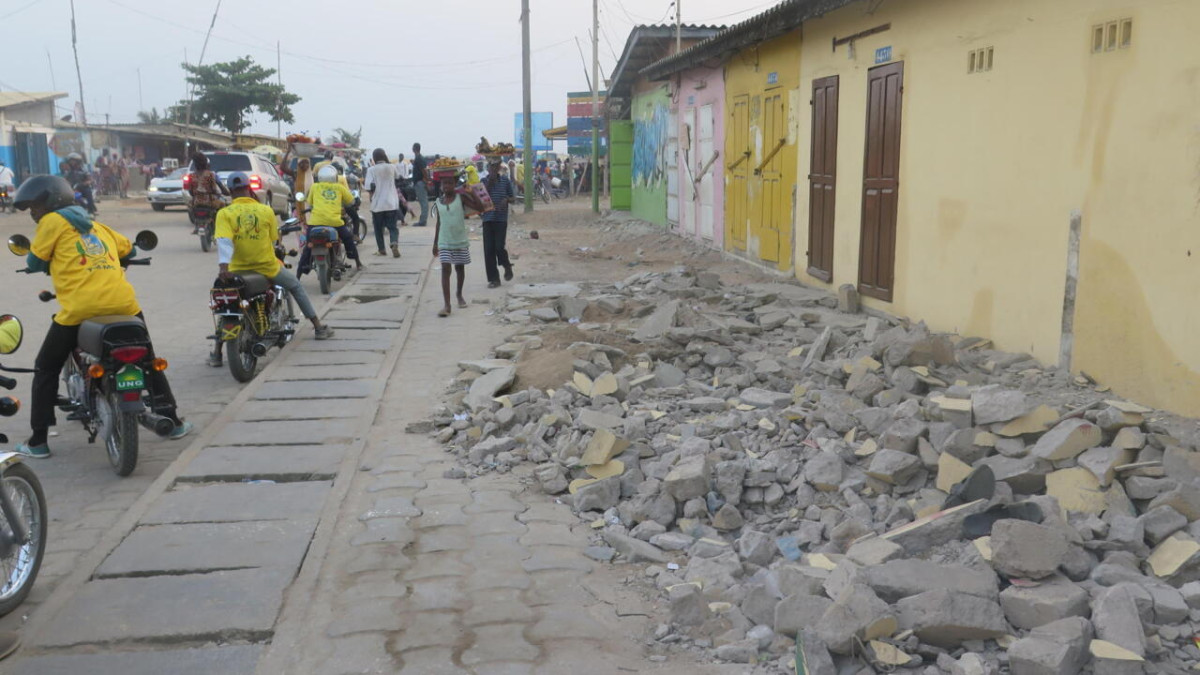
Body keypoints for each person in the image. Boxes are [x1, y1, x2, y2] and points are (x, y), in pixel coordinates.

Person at [11, 175, 191, 458]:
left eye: (34, 206)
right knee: (149, 361)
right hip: (125, 307)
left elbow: (34, 261)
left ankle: (38, 441)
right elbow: (129, 250)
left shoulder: (52, 222)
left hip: (80, 311)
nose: (33, 213)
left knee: (45, 368)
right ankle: (175, 421)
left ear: (50, 202)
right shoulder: (97, 226)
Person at [210, 172, 333, 366]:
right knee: (296, 286)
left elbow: (224, 242)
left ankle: (217, 352)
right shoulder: (265, 211)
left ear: (231, 191)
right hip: (267, 268)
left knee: (227, 302)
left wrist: (223, 268)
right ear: (248, 189)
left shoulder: (224, 213)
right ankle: (318, 326)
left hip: (236, 270)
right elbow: (275, 239)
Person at [432, 171, 485, 317]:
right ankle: (447, 305)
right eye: (444, 183)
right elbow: (438, 223)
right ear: (441, 185)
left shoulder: (460, 198)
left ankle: (459, 294)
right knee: (445, 269)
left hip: (459, 239)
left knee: (459, 268)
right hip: (444, 240)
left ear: (455, 184)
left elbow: (480, 208)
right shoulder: (438, 202)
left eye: (450, 183)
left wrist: (471, 192)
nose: (447, 186)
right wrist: (435, 243)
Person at [299, 165, 363, 275]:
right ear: (335, 177)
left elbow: (310, 203)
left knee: (308, 246)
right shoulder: (340, 188)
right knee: (348, 238)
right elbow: (351, 202)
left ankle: (299, 274)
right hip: (335, 223)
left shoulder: (315, 187)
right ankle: (357, 262)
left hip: (315, 223)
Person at [481, 158, 516, 288]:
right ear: (488, 168)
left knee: (499, 247)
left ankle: (506, 265)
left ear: (499, 168)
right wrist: (490, 182)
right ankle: (494, 279)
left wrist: (506, 199)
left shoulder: (505, 181)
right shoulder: (483, 182)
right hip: (488, 219)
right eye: (491, 167)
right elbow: (481, 198)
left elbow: (513, 198)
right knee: (488, 249)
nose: (494, 169)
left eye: (496, 167)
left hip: (501, 219)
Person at [365, 148, 402, 258]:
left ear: (374, 157)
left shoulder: (371, 170)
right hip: (391, 202)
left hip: (378, 204)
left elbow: (368, 186)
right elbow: (398, 177)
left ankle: (382, 250)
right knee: (392, 227)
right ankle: (394, 242)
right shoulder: (392, 167)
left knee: (378, 228)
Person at [187, 152, 229, 234]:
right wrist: (218, 193)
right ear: (206, 164)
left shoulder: (191, 176)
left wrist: (196, 195)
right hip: (210, 202)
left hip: (196, 202)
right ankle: (220, 226)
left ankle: (197, 225)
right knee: (223, 205)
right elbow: (213, 189)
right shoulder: (210, 175)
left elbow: (190, 191)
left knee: (190, 207)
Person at [411, 142, 430, 227]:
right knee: (423, 202)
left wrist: (426, 180)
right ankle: (422, 220)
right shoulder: (418, 158)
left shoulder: (419, 158)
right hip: (419, 182)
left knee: (423, 202)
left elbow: (424, 170)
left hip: (420, 182)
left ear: (413, 149)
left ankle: (422, 221)